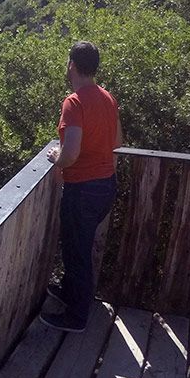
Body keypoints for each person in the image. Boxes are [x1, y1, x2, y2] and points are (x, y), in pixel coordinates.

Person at [42, 41, 122, 333]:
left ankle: (76, 317)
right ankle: (69, 293)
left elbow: (71, 153)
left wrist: (57, 159)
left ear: (71, 65)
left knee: (77, 252)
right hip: (105, 186)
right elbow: (117, 143)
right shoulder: (108, 98)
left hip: (83, 189)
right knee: (78, 246)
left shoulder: (74, 102)